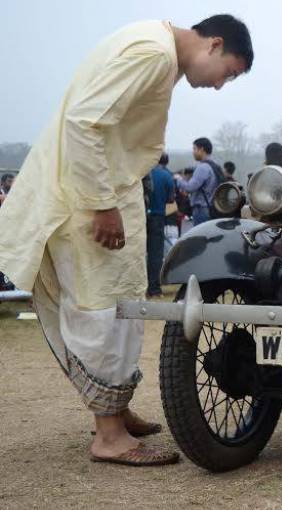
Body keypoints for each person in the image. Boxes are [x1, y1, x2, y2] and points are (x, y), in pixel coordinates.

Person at [0, 14, 253, 467]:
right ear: (214, 44)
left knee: (122, 302)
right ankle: (109, 435)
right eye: (228, 74)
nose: (220, 86)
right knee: (103, 309)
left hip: (104, 191)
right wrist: (101, 203)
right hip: (86, 200)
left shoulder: (158, 51)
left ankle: (114, 410)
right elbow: (83, 122)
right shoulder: (152, 52)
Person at [145, 153, 175, 298]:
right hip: (158, 217)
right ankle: (154, 289)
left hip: (140, 217)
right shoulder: (166, 176)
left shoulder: (141, 172)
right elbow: (171, 199)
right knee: (155, 254)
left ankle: (140, 287)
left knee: (138, 253)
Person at [178, 137, 224, 225]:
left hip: (201, 210)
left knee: (200, 237)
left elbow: (190, 187)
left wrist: (179, 180)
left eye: (194, 148)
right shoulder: (215, 165)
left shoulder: (203, 167)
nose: (193, 152)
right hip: (212, 208)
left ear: (201, 149)